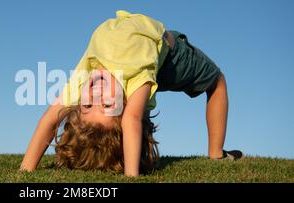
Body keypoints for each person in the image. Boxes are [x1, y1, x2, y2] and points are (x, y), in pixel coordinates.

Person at [20, 10, 242, 177]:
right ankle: (217, 154)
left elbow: (49, 120)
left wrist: (25, 170)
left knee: (134, 108)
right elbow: (132, 120)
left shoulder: (83, 81)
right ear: (124, 109)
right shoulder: (137, 78)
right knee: (217, 82)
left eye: (88, 105)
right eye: (106, 105)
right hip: (171, 59)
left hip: (149, 66)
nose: (96, 94)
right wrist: (131, 176)